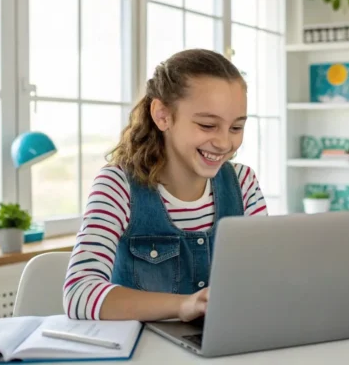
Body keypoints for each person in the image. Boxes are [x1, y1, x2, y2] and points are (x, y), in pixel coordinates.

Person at [64, 49, 268, 322]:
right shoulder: (118, 185)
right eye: (208, 125)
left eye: (235, 128)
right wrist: (184, 305)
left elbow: (265, 281)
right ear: (162, 115)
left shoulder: (243, 184)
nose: (223, 143)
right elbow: (80, 294)